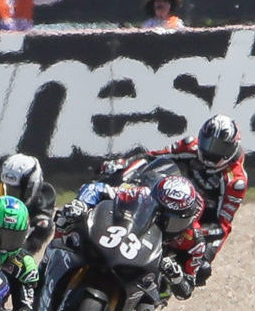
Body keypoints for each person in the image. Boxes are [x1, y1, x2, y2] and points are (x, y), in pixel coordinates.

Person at [98, 114, 246, 284]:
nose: (210, 151)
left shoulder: (235, 181)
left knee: (198, 267)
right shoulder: (190, 145)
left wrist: (207, 256)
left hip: (194, 218)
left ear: (232, 148)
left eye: (219, 148)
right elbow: (151, 157)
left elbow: (223, 225)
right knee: (117, 189)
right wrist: (123, 165)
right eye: (208, 143)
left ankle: (161, 289)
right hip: (163, 194)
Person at [54, 172, 206, 311]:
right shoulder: (140, 194)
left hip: (147, 272)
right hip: (119, 239)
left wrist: (176, 276)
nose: (168, 225)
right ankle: (50, 260)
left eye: (177, 222)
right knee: (67, 221)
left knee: (145, 310)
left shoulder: (194, 240)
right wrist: (82, 204)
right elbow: (96, 188)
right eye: (163, 216)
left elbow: (186, 289)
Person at [0, 153, 58, 257]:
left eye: (15, 191)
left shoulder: (41, 212)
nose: (9, 195)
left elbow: (27, 249)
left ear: (31, 188)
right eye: (6, 187)